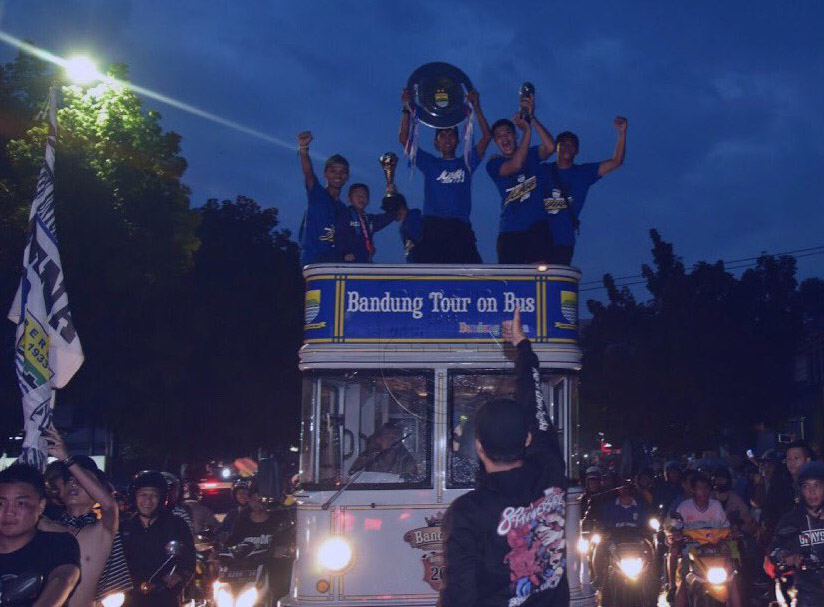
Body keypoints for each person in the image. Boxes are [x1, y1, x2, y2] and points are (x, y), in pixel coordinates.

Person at [440, 308, 568, 607]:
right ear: (526, 440)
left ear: (478, 447)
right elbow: (535, 405)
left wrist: (522, 348)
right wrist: (523, 346)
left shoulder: (467, 513)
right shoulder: (551, 471)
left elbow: (460, 595)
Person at [37, 427, 129, 607]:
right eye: (68, 480)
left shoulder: (101, 532)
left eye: (81, 480)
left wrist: (66, 459)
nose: (73, 484)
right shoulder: (45, 526)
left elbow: (109, 505)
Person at [398, 88, 491, 264]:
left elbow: (487, 137)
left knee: (471, 273)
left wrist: (476, 107)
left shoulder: (466, 162)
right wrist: (406, 107)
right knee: (431, 274)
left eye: (451, 135)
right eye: (443, 135)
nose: (447, 139)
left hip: (460, 227)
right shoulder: (429, 163)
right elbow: (404, 139)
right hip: (433, 227)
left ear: (458, 140)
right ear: (436, 142)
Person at [540, 117, 627, 264]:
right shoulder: (543, 170)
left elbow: (616, 161)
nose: (567, 148)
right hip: (539, 239)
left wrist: (621, 134)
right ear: (556, 148)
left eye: (571, 145)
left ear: (577, 151)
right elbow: (520, 166)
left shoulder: (583, 173)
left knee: (557, 282)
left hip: (564, 241)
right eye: (564, 144)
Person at [486, 92, 556, 264]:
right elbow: (515, 165)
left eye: (508, 133)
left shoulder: (531, 154)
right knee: (512, 284)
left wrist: (531, 118)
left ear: (514, 135)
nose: (504, 138)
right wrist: (526, 131)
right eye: (499, 136)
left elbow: (551, 147)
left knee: (541, 277)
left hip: (537, 226)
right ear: (495, 142)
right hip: (510, 231)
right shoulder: (494, 164)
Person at [0, 462, 80, 607]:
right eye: (1, 504)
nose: (9, 511)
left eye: (20, 503)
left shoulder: (57, 545)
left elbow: (63, 579)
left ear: (41, 505)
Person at [121, 470, 195, 607]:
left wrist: (179, 576)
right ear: (134, 497)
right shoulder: (124, 528)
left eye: (154, 495)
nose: (148, 500)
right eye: (143, 494)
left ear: (161, 498)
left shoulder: (176, 524)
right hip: (128, 596)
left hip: (164, 596)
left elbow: (189, 560)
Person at [670, 473, 741, 607]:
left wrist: (733, 532)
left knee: (732, 577)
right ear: (692, 490)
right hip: (692, 552)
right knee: (684, 581)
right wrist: (677, 534)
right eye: (699, 488)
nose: (703, 491)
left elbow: (726, 527)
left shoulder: (716, 506)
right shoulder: (684, 507)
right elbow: (675, 528)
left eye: (706, 488)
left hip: (717, 550)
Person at [769, 461, 824, 607]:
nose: (812, 492)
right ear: (800, 490)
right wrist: (788, 557)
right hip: (803, 588)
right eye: (807, 486)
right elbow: (774, 551)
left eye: (817, 486)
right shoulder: (790, 520)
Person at [297, 130, 349, 266]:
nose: (338, 175)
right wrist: (303, 149)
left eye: (342, 172)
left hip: (336, 264)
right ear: (325, 174)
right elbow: (308, 172)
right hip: (314, 262)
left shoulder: (344, 209)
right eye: (333, 171)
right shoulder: (317, 194)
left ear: (347, 177)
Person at [336, 183, 396, 263]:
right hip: (348, 264)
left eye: (365, 196)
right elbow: (338, 235)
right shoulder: (344, 215)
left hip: (365, 263)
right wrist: (345, 252)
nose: (362, 198)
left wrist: (391, 195)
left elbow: (390, 216)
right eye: (358, 195)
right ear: (349, 198)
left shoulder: (369, 220)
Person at [752, 449, 795, 547]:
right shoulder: (767, 484)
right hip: (770, 535)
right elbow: (757, 503)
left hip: (782, 535)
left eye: (769, 465)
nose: (765, 468)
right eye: (764, 464)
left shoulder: (783, 486)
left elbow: (776, 514)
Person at [349, 422, 418, 478]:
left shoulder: (406, 460)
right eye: (387, 437)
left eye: (395, 437)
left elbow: (413, 480)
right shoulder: (367, 458)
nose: (392, 440)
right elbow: (352, 476)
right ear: (379, 439)